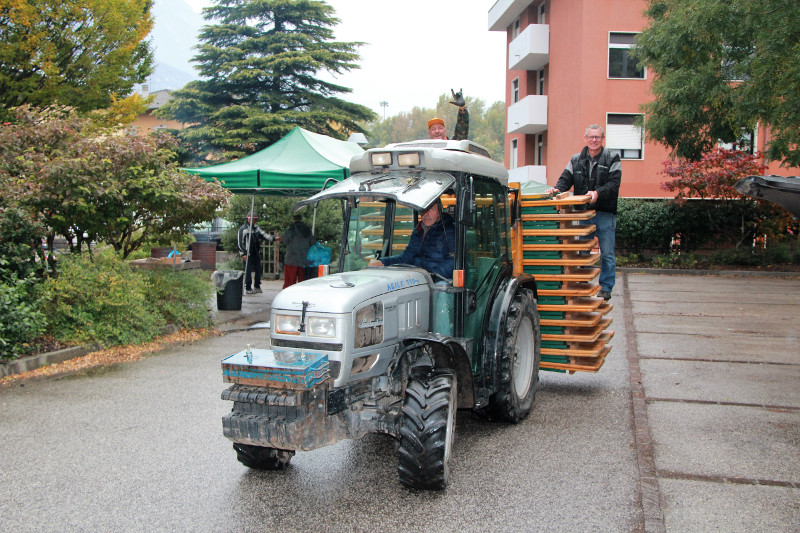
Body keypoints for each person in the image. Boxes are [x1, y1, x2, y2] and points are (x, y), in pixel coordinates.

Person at [547, 124, 621, 300]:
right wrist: (556, 189)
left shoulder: (612, 158)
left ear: (602, 139)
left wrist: (597, 194)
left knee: (607, 254)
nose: (594, 140)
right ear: (585, 138)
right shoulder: (576, 159)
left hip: (605, 213)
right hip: (583, 214)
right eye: (591, 137)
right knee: (582, 252)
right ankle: (583, 283)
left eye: (597, 137)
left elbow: (614, 184)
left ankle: (606, 288)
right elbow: (566, 179)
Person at [368, 201, 455, 279]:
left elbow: (453, 261)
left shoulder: (449, 229)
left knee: (442, 294)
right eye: (423, 209)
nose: (426, 213)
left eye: (431, 209)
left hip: (441, 280)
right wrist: (382, 262)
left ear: (440, 210)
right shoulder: (419, 230)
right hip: (420, 278)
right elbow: (406, 258)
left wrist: (431, 276)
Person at [237, 214, 274, 294]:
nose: (253, 221)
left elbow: (264, 235)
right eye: (251, 219)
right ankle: (248, 288)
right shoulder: (243, 229)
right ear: (248, 219)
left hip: (256, 252)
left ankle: (257, 286)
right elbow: (240, 243)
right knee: (248, 271)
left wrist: (273, 238)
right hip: (247, 253)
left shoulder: (256, 228)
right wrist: (243, 254)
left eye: (254, 219)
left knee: (258, 269)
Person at [281, 213, 313, 288]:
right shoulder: (307, 230)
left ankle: (289, 295)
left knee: (290, 282)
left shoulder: (290, 229)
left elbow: (285, 241)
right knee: (303, 281)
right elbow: (313, 242)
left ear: (293, 220)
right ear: (301, 219)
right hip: (304, 259)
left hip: (291, 258)